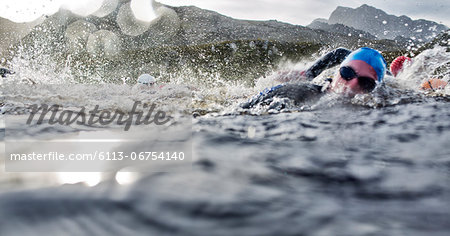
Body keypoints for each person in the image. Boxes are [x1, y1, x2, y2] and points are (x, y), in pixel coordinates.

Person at [241, 47, 388, 109]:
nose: (352, 85)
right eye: (347, 73)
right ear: (338, 71)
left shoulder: (383, 100)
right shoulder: (306, 91)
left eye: (366, 83)